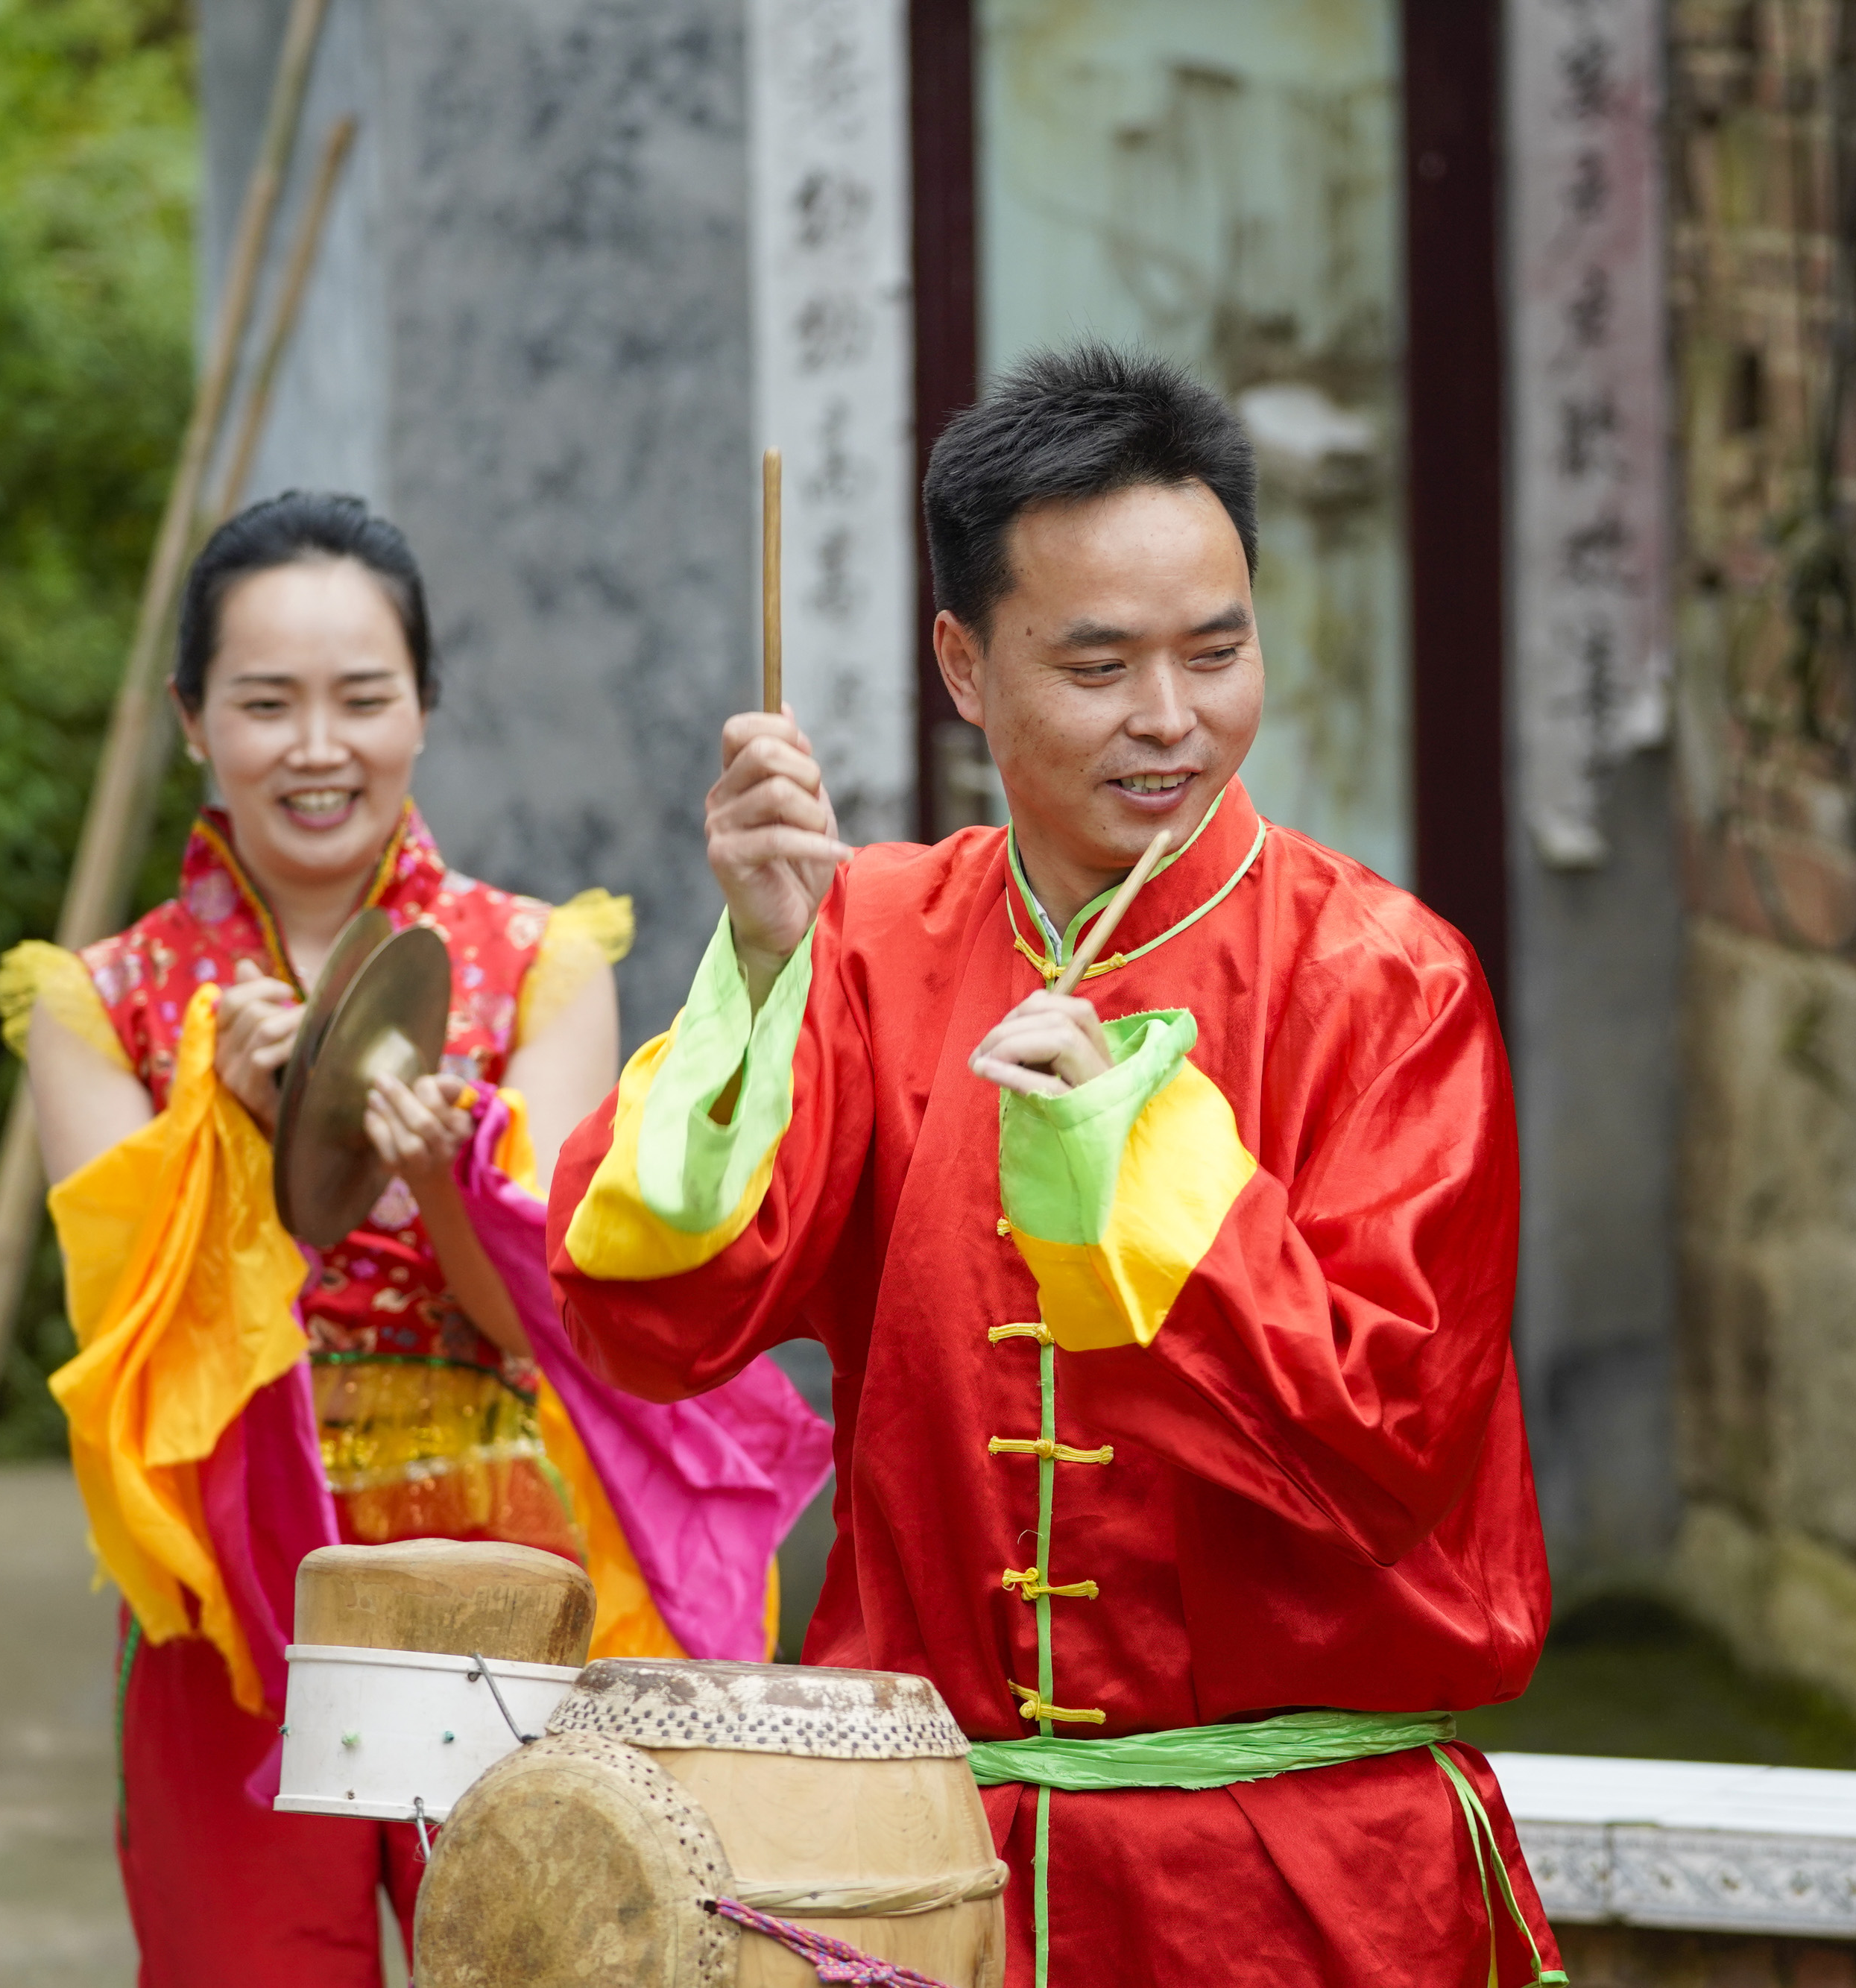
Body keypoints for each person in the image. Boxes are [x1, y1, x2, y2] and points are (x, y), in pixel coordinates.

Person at [548, 344, 1562, 1987]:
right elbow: (648, 1315)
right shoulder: (871, 938)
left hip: (1291, 1870)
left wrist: (1130, 1165)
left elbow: (1389, 1432)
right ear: (962, 662)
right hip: (926, 1872)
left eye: (1215, 652)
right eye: (1096, 664)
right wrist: (756, 960)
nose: (1169, 717)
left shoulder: (1384, 978)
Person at [6, 491, 827, 1986]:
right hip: (235, 1581)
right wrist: (238, 1135)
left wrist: (447, 1178)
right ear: (193, 718)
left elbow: (536, 1324)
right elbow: (128, 1337)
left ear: (425, 708)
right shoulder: (99, 995)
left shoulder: (537, 959)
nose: (317, 746)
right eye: (266, 702)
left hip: (496, 1558)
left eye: (361, 698)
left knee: (525, 1956)